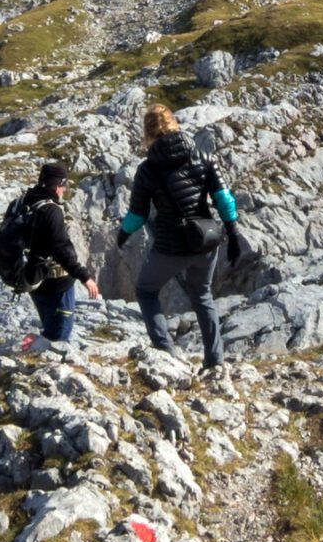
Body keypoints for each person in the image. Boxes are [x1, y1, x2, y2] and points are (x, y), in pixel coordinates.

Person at [117, 104, 242, 373]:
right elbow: (223, 199)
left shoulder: (148, 169)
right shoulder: (203, 156)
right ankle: (214, 360)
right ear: (174, 123)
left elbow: (137, 216)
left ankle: (166, 353)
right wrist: (232, 234)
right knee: (203, 295)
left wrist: (123, 234)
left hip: (170, 246)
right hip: (206, 240)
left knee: (147, 291)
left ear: (148, 132)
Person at [14, 160, 98, 350]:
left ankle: (36, 344)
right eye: (64, 185)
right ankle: (42, 356)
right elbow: (60, 249)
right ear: (59, 185)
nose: (64, 190)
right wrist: (85, 277)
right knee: (60, 336)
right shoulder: (51, 211)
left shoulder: (24, 202)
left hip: (33, 278)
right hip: (57, 283)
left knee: (51, 327)